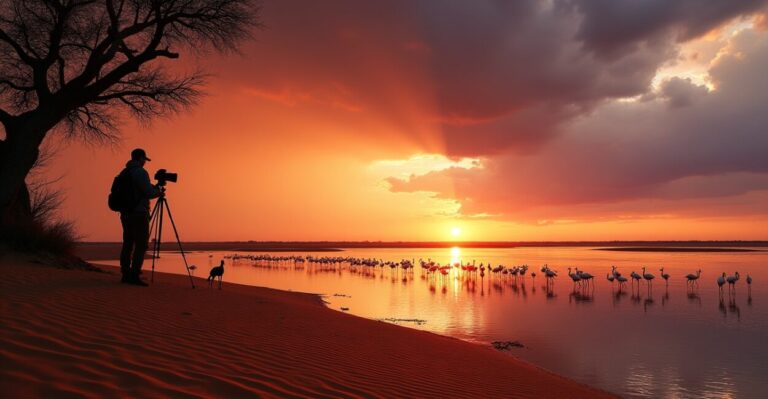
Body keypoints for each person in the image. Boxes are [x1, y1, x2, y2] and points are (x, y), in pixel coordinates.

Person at [119, 148, 162, 286]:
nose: (145, 162)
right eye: (144, 159)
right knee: (141, 244)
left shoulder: (125, 172)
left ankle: (126, 274)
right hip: (138, 213)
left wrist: (155, 188)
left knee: (128, 243)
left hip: (126, 213)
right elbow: (149, 192)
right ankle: (134, 274)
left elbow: (143, 189)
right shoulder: (140, 172)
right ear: (140, 158)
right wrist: (159, 192)